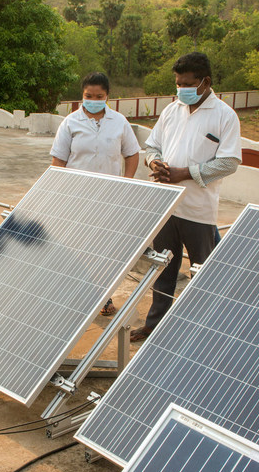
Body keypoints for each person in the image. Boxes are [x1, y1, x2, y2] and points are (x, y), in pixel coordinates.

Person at [130, 52, 242, 342]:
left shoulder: (224, 116)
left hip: (198, 210)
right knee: (162, 267)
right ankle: (154, 325)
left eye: (187, 84)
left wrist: (187, 173)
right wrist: (155, 163)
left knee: (201, 272)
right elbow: (152, 146)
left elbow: (229, 162)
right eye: (178, 84)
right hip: (167, 205)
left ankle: (200, 331)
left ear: (205, 82)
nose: (181, 89)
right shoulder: (172, 110)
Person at [50, 71, 141, 316]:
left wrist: (127, 182)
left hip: (109, 198)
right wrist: (61, 190)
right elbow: (58, 160)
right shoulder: (70, 122)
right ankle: (75, 295)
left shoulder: (119, 121)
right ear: (82, 95)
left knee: (103, 250)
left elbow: (132, 154)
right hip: (77, 198)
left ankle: (104, 298)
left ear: (107, 96)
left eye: (99, 96)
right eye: (88, 95)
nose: (93, 100)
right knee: (75, 248)